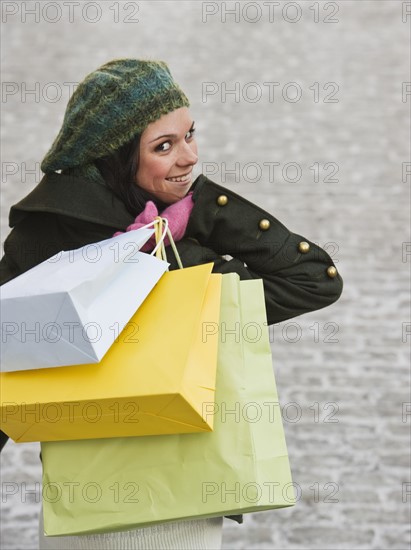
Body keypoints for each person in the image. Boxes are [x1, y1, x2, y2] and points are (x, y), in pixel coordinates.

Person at [0, 58, 343, 549]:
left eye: (189, 135)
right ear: (115, 158)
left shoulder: (59, 234)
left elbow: (314, 280)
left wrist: (191, 213)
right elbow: (313, 279)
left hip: (130, 501)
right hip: (152, 504)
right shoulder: (152, 251)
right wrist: (204, 215)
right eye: (164, 146)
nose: (190, 158)